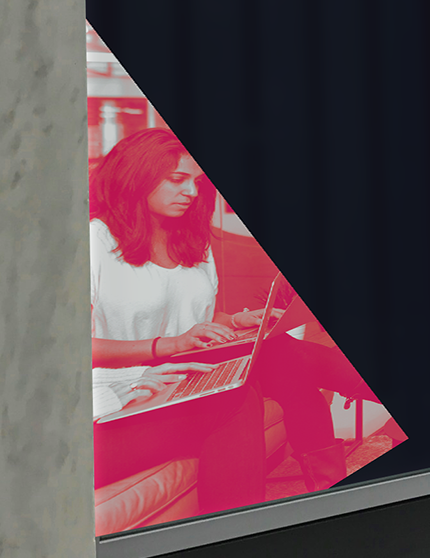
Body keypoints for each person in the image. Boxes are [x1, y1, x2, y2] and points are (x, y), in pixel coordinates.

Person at [90, 128, 371, 515]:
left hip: (193, 360)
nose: (190, 191)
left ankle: (328, 491)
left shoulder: (193, 241)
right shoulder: (94, 243)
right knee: (253, 385)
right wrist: (166, 346)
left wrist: (237, 321)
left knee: (281, 351)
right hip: (142, 372)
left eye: (197, 181)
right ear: (136, 175)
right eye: (176, 180)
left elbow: (199, 317)